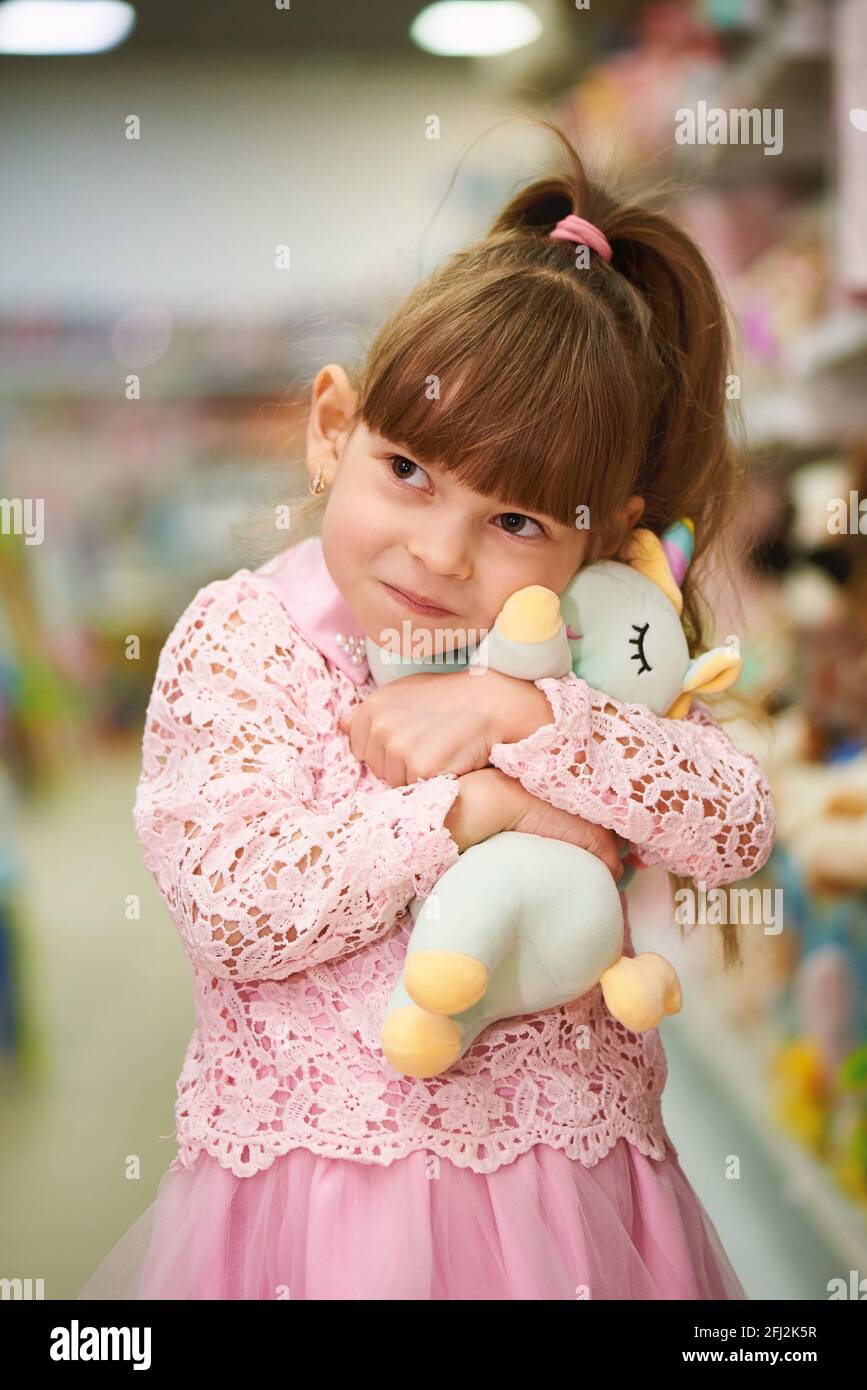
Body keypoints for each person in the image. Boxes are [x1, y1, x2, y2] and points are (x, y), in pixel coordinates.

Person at [78, 124, 774, 1300]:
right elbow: (237, 904)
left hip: (574, 1201)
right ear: (331, 428)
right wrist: (470, 809)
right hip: (322, 1212)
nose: (440, 553)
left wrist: (524, 711)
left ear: (600, 540)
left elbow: (735, 824)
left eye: (517, 523)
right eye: (408, 469)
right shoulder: (250, 636)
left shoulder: (582, 663)